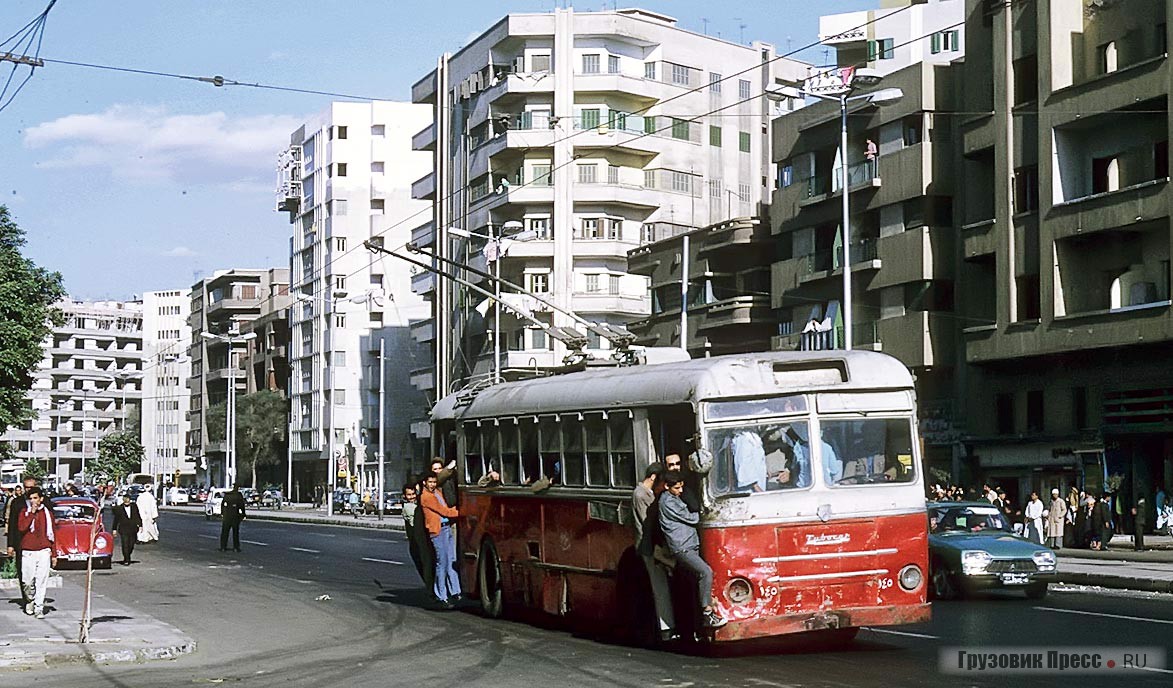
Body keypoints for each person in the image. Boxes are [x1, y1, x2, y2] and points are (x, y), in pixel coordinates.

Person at [657, 470, 727, 630]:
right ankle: (707, 614)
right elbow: (692, 517)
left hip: (689, 545)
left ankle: (693, 625)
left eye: (682, 487)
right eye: (677, 488)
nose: (680, 491)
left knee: (692, 584)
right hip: (682, 548)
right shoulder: (668, 502)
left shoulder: (673, 498)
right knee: (705, 572)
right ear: (667, 486)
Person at [631, 462, 676, 642]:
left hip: (649, 545)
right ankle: (666, 628)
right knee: (660, 587)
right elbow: (647, 522)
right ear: (653, 477)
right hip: (650, 547)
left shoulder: (643, 493)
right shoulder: (642, 495)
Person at [419, 472, 461, 608]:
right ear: (425, 483)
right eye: (429, 482)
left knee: (451, 560)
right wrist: (462, 512)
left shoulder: (437, 492)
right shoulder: (426, 497)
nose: (432, 484)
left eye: (434, 482)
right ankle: (441, 595)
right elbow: (444, 511)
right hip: (437, 531)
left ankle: (455, 591)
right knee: (441, 563)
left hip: (446, 527)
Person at [6, 476, 37, 607]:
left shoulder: (43, 501)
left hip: (37, 544)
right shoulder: (17, 503)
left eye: (31, 487)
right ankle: (27, 599)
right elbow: (12, 524)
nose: (28, 490)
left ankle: (37, 599)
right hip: (21, 543)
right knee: (23, 573)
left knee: (37, 573)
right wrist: (10, 545)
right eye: (26, 487)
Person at [401, 483, 428, 583]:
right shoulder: (409, 508)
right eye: (409, 495)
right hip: (416, 543)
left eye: (413, 494)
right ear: (404, 496)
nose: (412, 497)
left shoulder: (415, 504)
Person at [111, 493, 143, 565]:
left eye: (128, 500)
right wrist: (114, 529)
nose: (127, 501)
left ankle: (128, 554)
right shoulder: (119, 508)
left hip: (133, 528)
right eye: (125, 500)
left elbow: (137, 516)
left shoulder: (134, 507)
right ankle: (126, 559)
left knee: (131, 544)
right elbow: (116, 520)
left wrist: (140, 525)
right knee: (125, 544)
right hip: (123, 529)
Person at [220, 485, 247, 552]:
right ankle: (236, 547)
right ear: (237, 488)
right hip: (235, 515)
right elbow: (242, 505)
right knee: (235, 533)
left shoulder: (227, 495)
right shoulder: (238, 495)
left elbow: (222, 504)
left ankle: (223, 547)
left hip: (227, 516)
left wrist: (222, 513)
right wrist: (243, 514)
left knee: (225, 532)